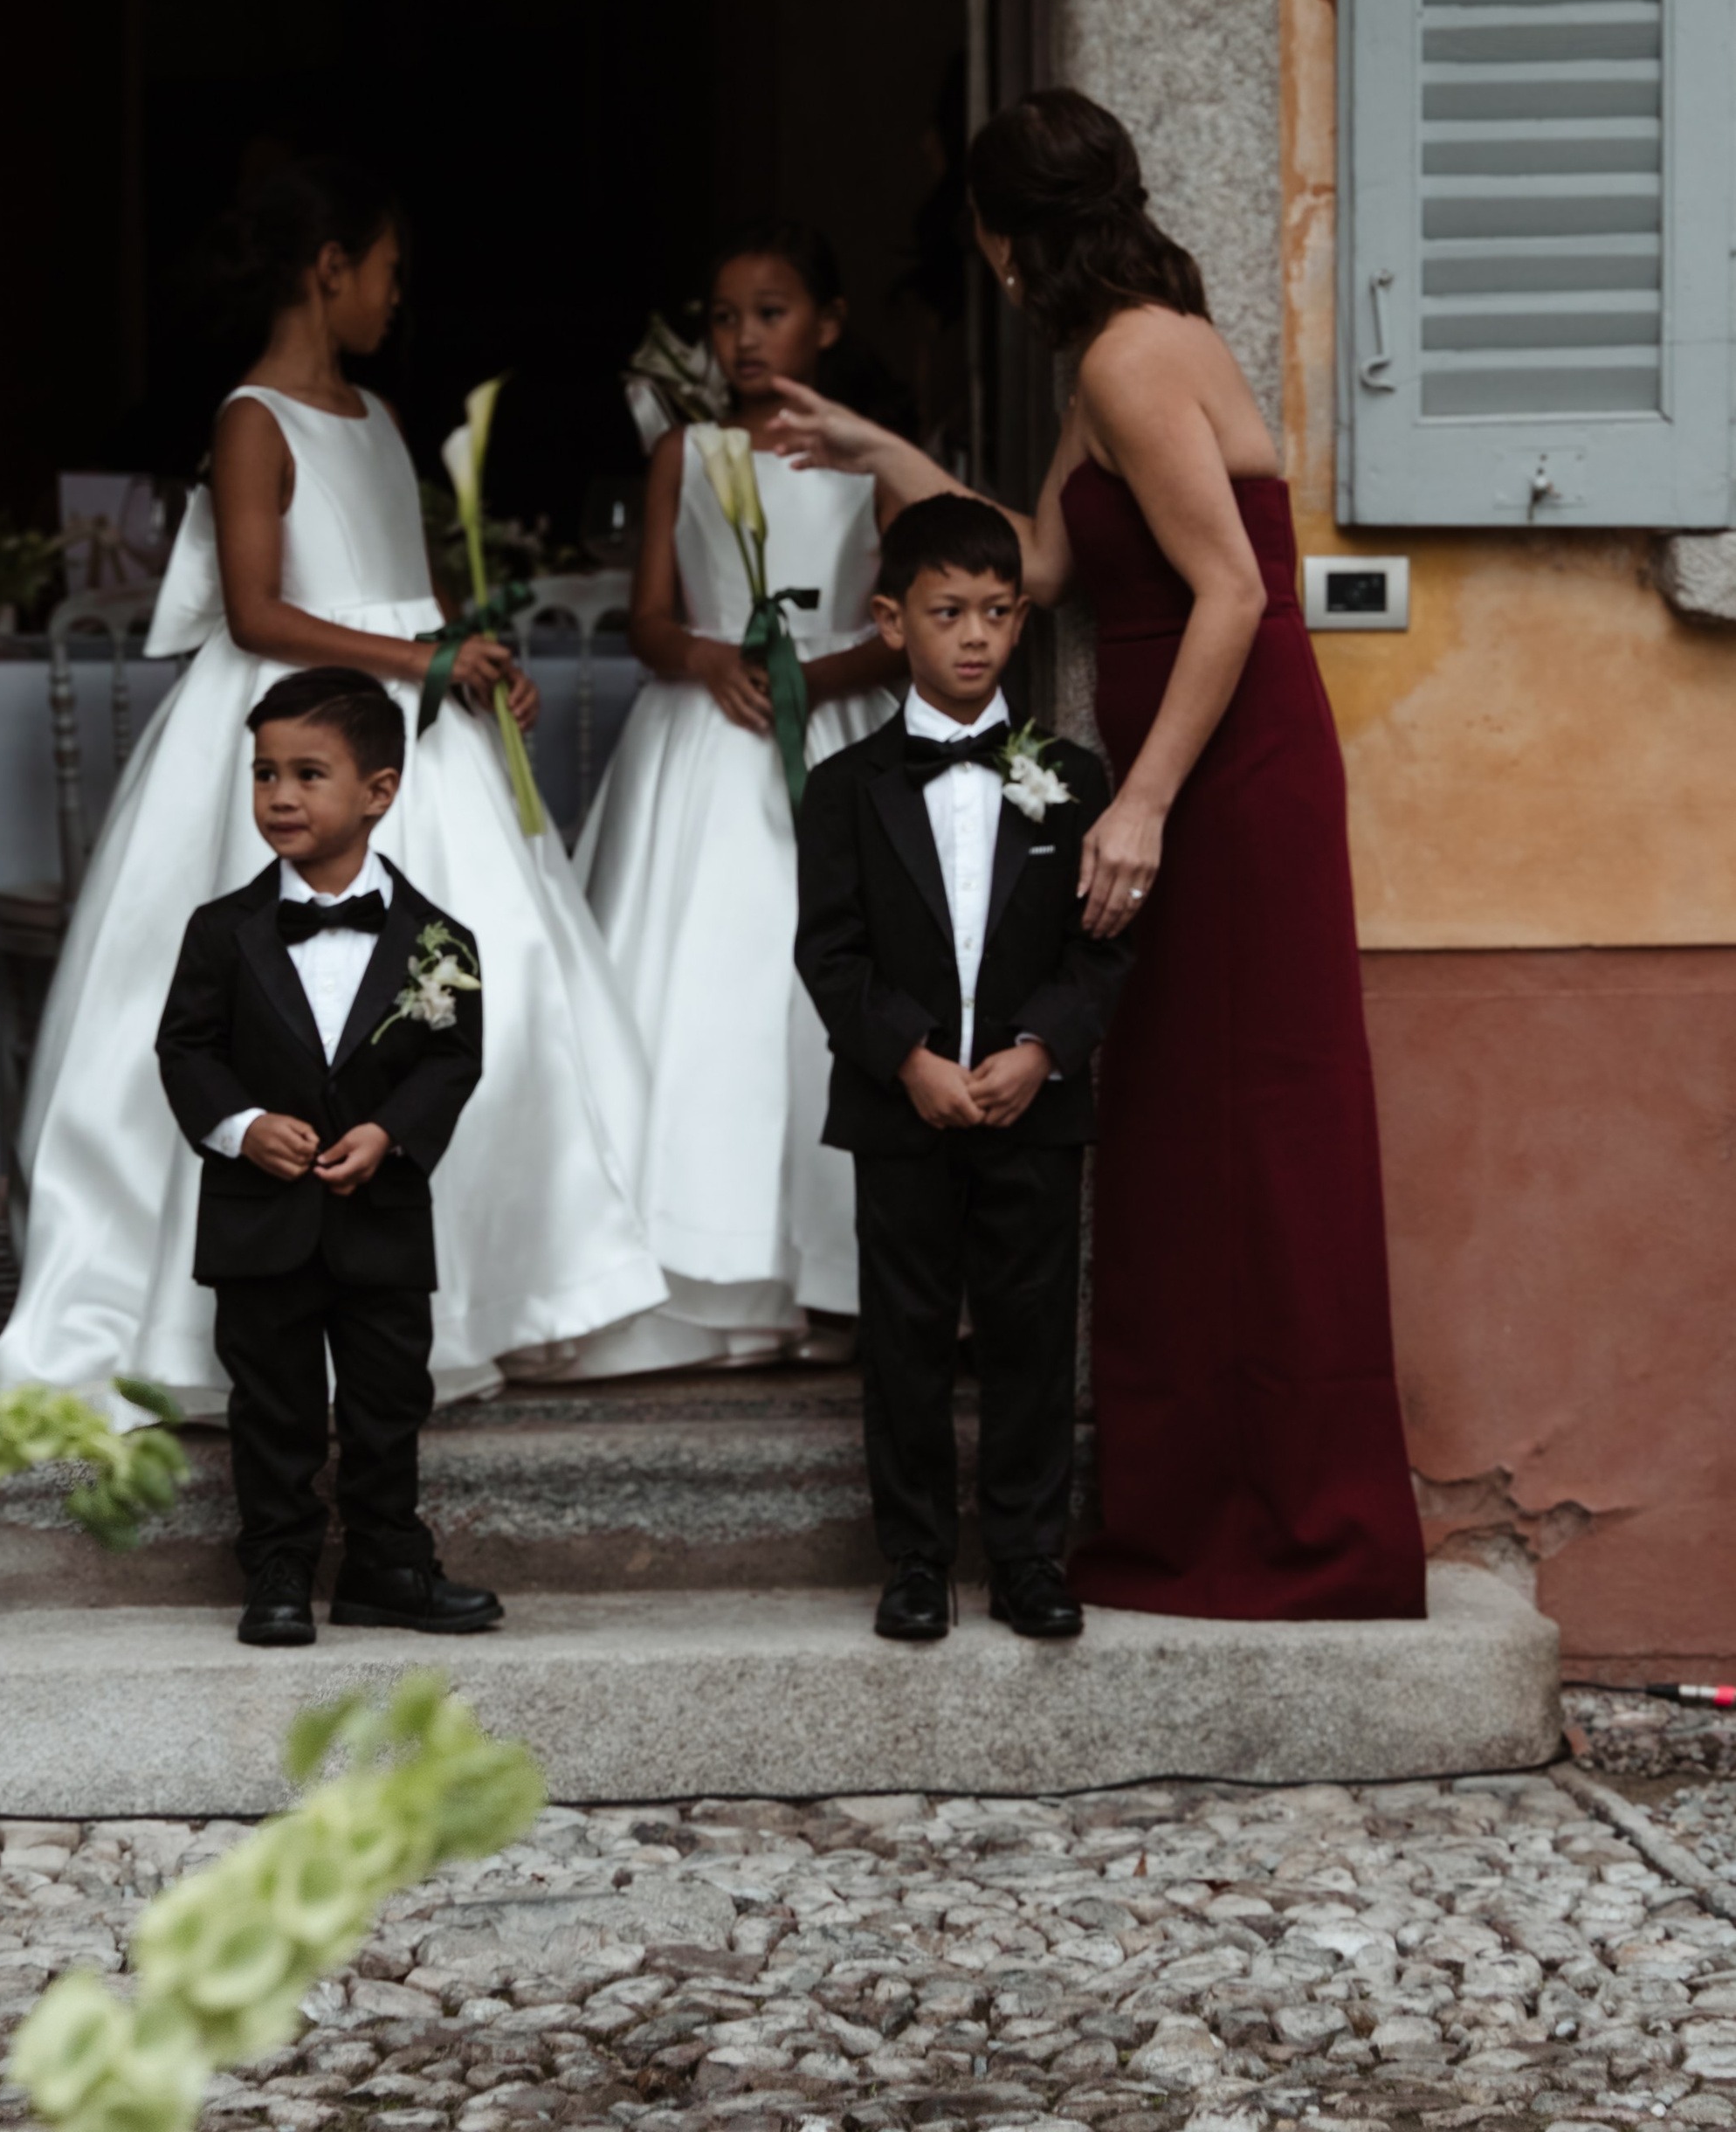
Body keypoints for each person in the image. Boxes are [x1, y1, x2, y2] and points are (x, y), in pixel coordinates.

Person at [771, 85, 1427, 1623]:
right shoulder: (1123, 347)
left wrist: (1139, 803)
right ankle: (1200, 1490)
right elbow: (1045, 564)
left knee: (1244, 1133)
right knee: (1187, 1133)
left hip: (1225, 779)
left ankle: (1281, 1514)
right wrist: (883, 449)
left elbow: (1232, 596)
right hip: (1193, 773)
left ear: (1008, 238)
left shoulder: (1133, 359)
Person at [0, 156, 668, 1414]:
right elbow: (256, 607)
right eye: (390, 272)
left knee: (476, 1006)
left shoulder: (382, 419)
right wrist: (421, 659)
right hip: (297, 728)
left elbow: (407, 587)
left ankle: (486, 1287)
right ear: (329, 269)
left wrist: (472, 666)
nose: (398, 299)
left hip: (412, 733)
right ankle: (243, 1309)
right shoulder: (253, 416)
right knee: (276, 1012)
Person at [796, 491, 1128, 1643]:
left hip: (1036, 1109)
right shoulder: (845, 789)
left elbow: (1106, 947)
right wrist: (910, 1061)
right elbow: (828, 951)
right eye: (949, 612)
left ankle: (1031, 1555)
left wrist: (1042, 1049)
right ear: (893, 622)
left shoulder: (1075, 781)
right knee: (907, 1338)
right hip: (907, 1114)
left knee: (1036, 1336)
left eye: (999, 611)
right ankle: (917, 1559)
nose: (977, 635)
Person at [576, 224, 902, 1360]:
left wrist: (817, 674)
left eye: (770, 311)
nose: (745, 335)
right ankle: (705, 1268)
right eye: (723, 316)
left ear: (828, 321)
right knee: (704, 989)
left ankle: (838, 1272)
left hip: (839, 727)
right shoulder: (688, 450)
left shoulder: (873, 460)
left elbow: (913, 622)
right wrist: (709, 659)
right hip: (705, 746)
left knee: (823, 995)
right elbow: (651, 618)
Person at [155, 667, 500, 1647]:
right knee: (273, 1402)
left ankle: (388, 1564)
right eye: (265, 775)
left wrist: (390, 1133)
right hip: (259, 1223)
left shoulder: (441, 939)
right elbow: (185, 1049)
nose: (281, 797)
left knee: (389, 1398)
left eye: (309, 775)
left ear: (379, 792)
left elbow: (451, 1058)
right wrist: (241, 1126)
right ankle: (277, 1565)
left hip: (379, 1217)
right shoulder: (221, 930)